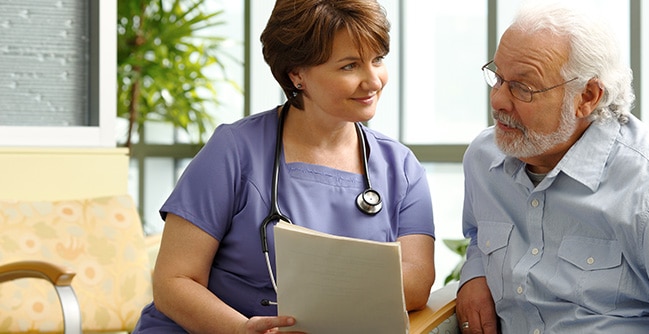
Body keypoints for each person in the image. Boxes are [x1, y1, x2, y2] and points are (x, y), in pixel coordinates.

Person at [456, 2, 649, 333]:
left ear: (588, 96)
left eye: (523, 88)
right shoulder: (484, 159)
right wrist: (476, 273)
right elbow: (480, 235)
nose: (497, 101)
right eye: (498, 78)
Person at [133, 0, 435, 332]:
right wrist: (242, 330)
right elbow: (173, 281)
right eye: (349, 66)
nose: (373, 81)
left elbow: (417, 282)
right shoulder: (234, 151)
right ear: (297, 74)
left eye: (377, 60)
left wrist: (325, 308)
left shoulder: (401, 168)